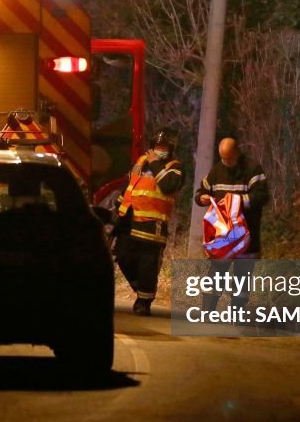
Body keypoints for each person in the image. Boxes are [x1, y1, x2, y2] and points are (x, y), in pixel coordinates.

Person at [114, 128, 184, 316]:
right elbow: (128, 188)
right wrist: (117, 214)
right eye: (157, 146)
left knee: (148, 264)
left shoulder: (175, 167)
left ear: (170, 148)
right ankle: (142, 290)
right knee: (123, 256)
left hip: (153, 225)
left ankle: (144, 302)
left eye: (163, 147)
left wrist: (154, 163)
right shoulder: (140, 162)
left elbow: (168, 185)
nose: (159, 150)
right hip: (130, 220)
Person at [195, 137, 269, 311]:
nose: (226, 162)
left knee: (242, 276)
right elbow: (202, 190)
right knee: (215, 274)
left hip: (246, 235)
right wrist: (201, 198)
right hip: (223, 237)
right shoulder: (217, 170)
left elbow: (262, 196)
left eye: (229, 158)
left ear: (236, 152)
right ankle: (208, 311)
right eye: (223, 158)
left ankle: (236, 313)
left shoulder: (252, 169)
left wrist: (237, 202)